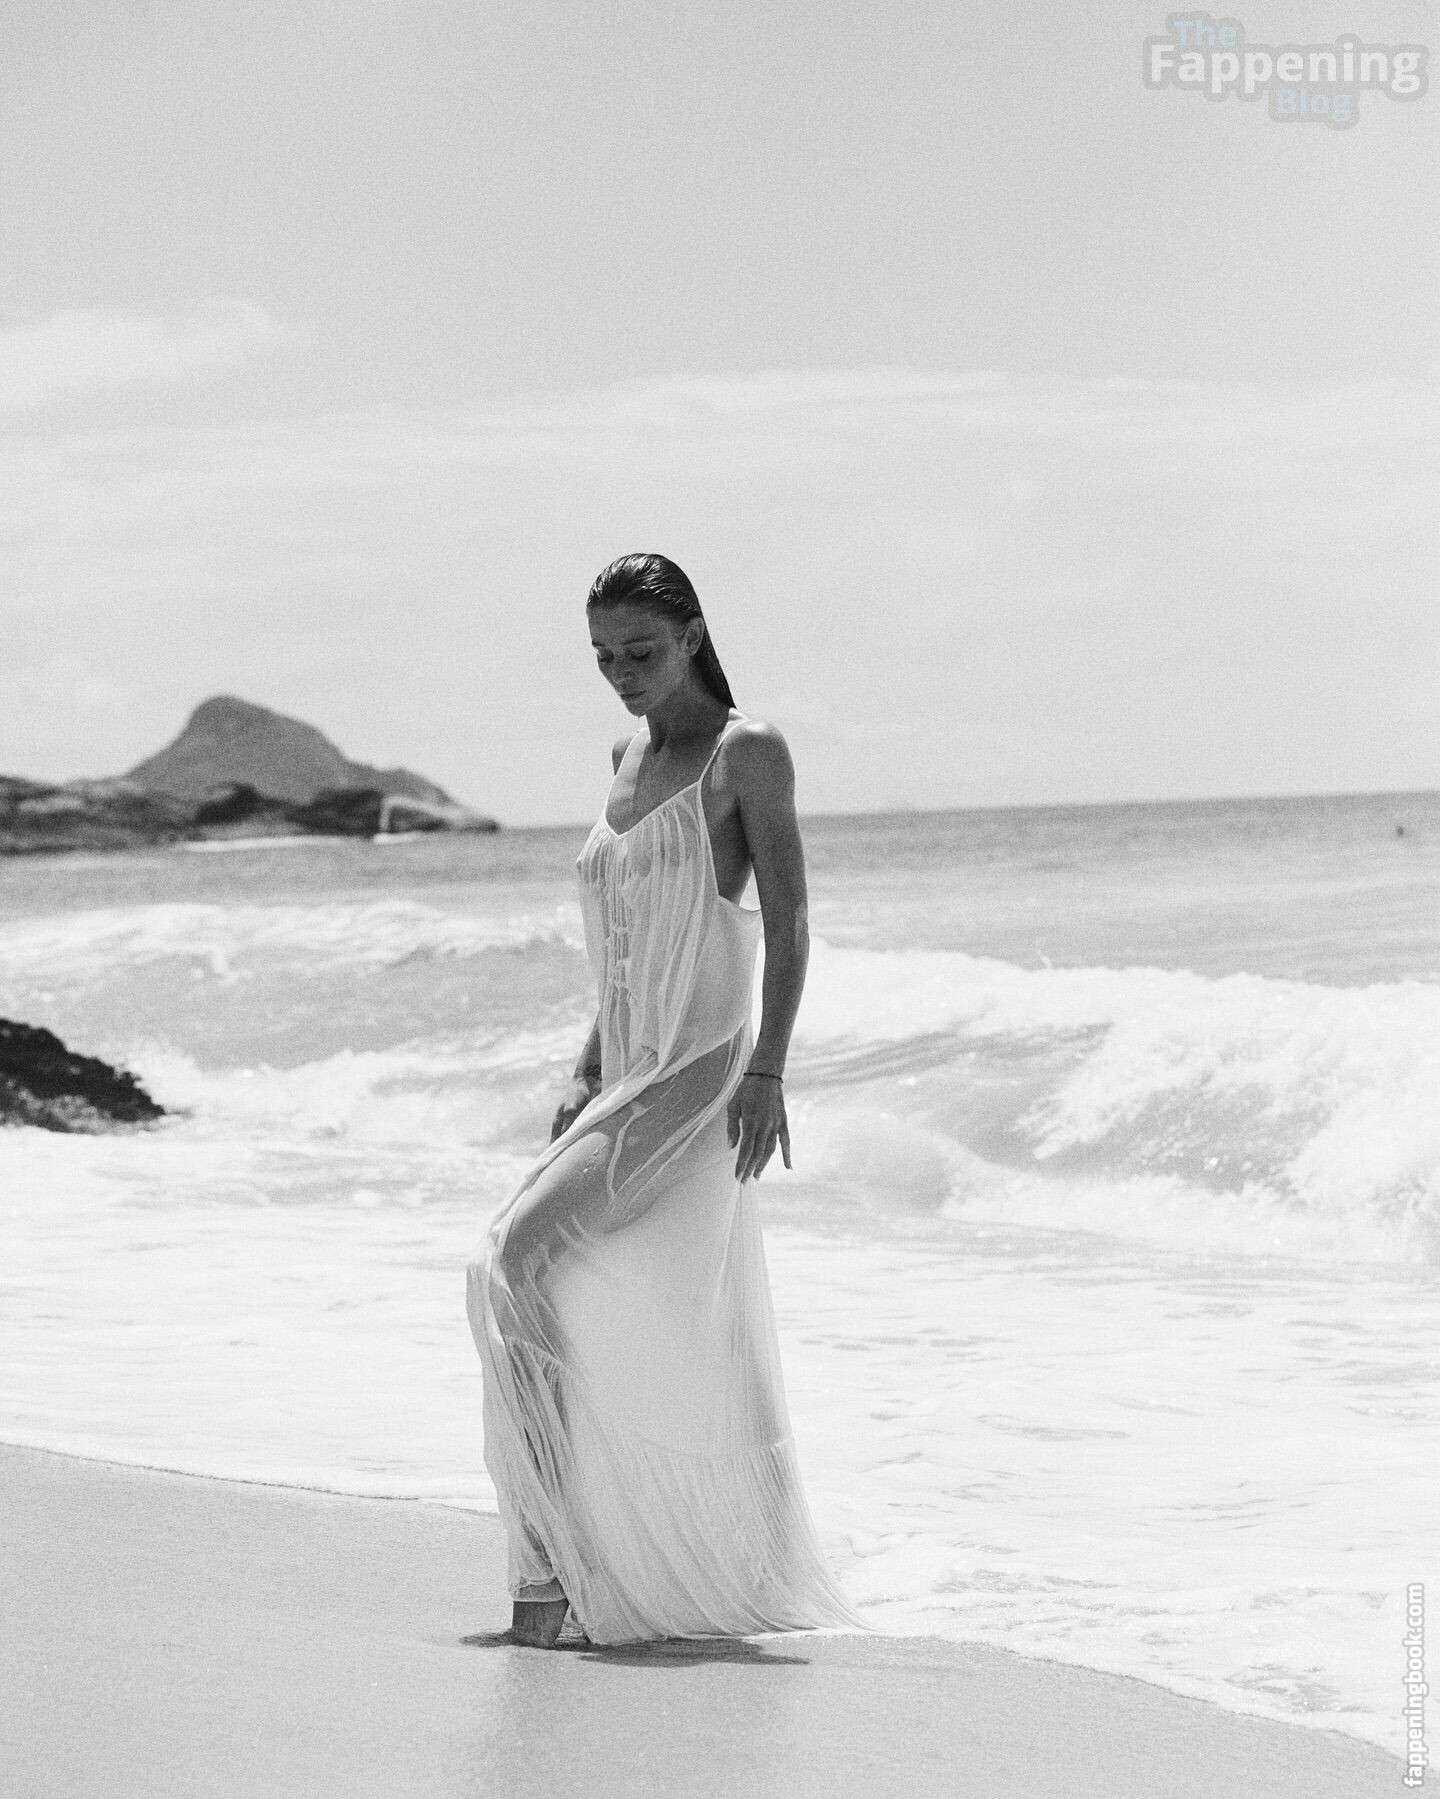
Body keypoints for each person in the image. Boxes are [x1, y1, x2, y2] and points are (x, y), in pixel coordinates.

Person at [467, 552, 863, 1648]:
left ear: (692, 635)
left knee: (509, 1261)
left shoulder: (748, 752)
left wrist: (770, 1068)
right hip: (628, 1073)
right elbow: (630, 939)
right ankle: (611, 1549)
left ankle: (552, 1574)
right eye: (603, 656)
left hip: (698, 1072)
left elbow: (789, 914)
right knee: (615, 1301)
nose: (622, 673)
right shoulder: (624, 756)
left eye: (640, 650)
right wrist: (586, 1065)